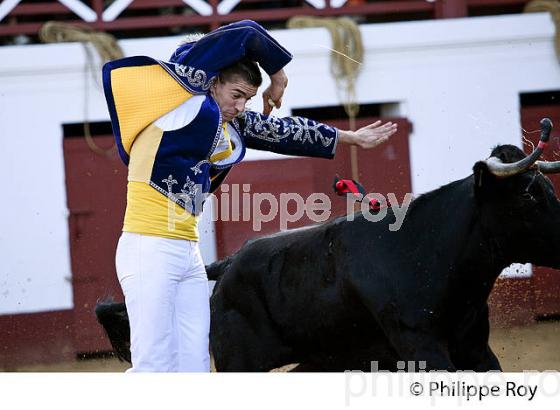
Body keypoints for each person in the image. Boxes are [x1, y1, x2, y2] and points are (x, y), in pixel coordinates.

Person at [102, 20, 397, 372]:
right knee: (154, 365)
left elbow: (284, 132)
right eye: (237, 95)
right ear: (211, 80)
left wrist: (351, 138)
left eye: (248, 98)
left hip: (187, 253)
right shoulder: (181, 98)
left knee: (194, 367)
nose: (242, 106)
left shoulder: (227, 121)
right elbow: (246, 32)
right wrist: (278, 74)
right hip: (147, 246)